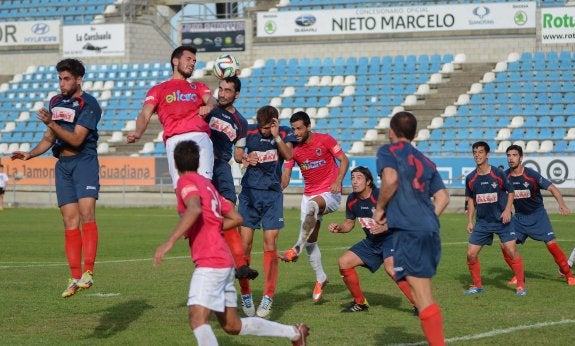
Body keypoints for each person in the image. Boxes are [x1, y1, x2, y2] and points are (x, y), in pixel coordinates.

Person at [153, 140, 308, 346]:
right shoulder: (207, 185)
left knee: (197, 319)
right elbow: (236, 219)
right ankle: (294, 333)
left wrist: (169, 242)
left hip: (210, 262)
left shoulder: (186, 182)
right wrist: (209, 224)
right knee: (232, 326)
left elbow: (194, 209)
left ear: (175, 162)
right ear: (199, 162)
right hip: (224, 262)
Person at [11, 58, 101, 298]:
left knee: (86, 214)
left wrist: (51, 121)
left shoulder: (89, 104)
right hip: (63, 165)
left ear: (79, 79)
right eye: (60, 79)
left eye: (67, 79)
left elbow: (76, 139)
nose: (62, 83)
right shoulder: (56, 102)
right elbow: (50, 138)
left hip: (84, 162)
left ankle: (88, 272)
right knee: (69, 221)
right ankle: (74, 277)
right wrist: (30, 153)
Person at [373, 111, 449, 346]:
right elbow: (443, 198)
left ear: (391, 132)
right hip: (429, 230)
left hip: (409, 232)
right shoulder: (425, 159)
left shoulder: (388, 151)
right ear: (414, 134)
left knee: (422, 296)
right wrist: (424, 219)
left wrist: (380, 208)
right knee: (420, 292)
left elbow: (391, 179)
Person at [279, 111, 350, 303]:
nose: (296, 132)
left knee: (311, 207)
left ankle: (295, 249)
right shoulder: (293, 148)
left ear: (308, 126)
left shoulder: (325, 140)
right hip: (309, 194)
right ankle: (321, 278)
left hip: (330, 193)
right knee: (311, 241)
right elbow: (286, 173)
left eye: (299, 128)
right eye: (293, 129)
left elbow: (344, 160)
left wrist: (338, 181)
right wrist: (279, 186)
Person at [328, 166, 417, 314]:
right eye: (352, 178)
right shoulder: (351, 199)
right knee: (344, 262)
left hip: (392, 238)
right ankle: (360, 303)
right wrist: (340, 228)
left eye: (359, 178)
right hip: (372, 241)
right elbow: (349, 223)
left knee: (391, 267)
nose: (354, 182)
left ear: (368, 181)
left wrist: (384, 227)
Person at [235, 106, 296, 318]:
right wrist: (244, 158)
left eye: (266, 128)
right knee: (244, 245)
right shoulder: (248, 130)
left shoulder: (285, 132)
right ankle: (246, 294)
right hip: (249, 194)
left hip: (272, 196)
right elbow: (237, 154)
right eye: (260, 127)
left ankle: (268, 297)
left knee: (270, 243)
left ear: (274, 123)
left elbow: (289, 155)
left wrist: (277, 136)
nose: (262, 131)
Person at [127, 45, 217, 187]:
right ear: (175, 61)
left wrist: (209, 106)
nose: (192, 63)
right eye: (188, 59)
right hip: (175, 141)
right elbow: (145, 114)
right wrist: (138, 132)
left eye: (194, 61)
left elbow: (211, 100)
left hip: (199, 137)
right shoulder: (158, 89)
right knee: (183, 190)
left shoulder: (198, 86)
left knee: (204, 188)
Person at [204, 76, 258, 281]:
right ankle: (212, 250)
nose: (223, 93)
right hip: (203, 164)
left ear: (237, 94)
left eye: (228, 90)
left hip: (221, 167)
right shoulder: (209, 108)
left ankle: (240, 265)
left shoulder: (241, 123)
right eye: (221, 89)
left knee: (229, 210)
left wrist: (244, 157)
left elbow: (238, 152)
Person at [501, 144, 574, 286]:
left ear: (521, 158)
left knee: (551, 245)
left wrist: (562, 204)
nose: (511, 158)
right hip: (519, 218)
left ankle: (569, 275)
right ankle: (518, 275)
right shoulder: (505, 177)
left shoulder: (531, 175)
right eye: (508, 155)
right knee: (505, 245)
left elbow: (553, 188)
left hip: (538, 216)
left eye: (514, 155)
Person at [464, 141, 526, 296]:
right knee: (471, 254)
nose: (477, 155)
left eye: (480, 152)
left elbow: (510, 192)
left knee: (511, 250)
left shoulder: (498, 174)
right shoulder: (471, 178)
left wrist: (507, 210)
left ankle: (520, 285)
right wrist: (470, 221)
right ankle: (477, 285)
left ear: (487, 155)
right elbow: (471, 199)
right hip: (483, 223)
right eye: (475, 152)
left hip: (502, 221)